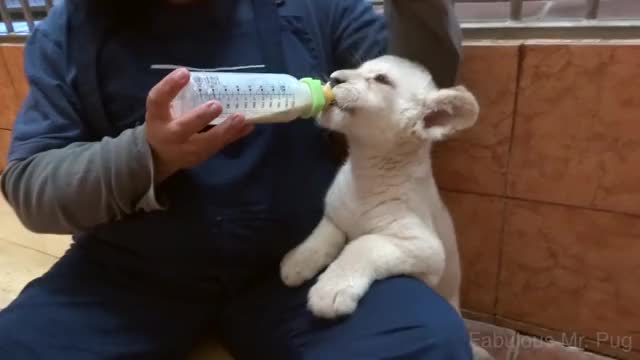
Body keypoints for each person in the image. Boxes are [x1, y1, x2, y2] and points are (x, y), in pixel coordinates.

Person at [0, 0, 470, 359]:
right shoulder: (69, 27)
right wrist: (148, 155)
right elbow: (32, 185)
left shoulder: (311, 9)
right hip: (128, 275)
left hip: (295, 264)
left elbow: (416, 91)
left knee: (427, 344)